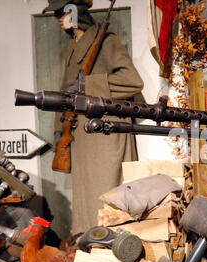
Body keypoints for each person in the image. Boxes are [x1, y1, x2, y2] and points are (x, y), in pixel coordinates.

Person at [42, 0, 144, 234]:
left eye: (62, 13)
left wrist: (88, 84)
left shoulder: (106, 41)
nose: (58, 18)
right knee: (88, 200)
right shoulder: (74, 45)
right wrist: (60, 126)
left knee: (106, 198)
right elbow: (65, 90)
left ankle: (109, 246)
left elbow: (132, 81)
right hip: (84, 132)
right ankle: (89, 244)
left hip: (106, 135)